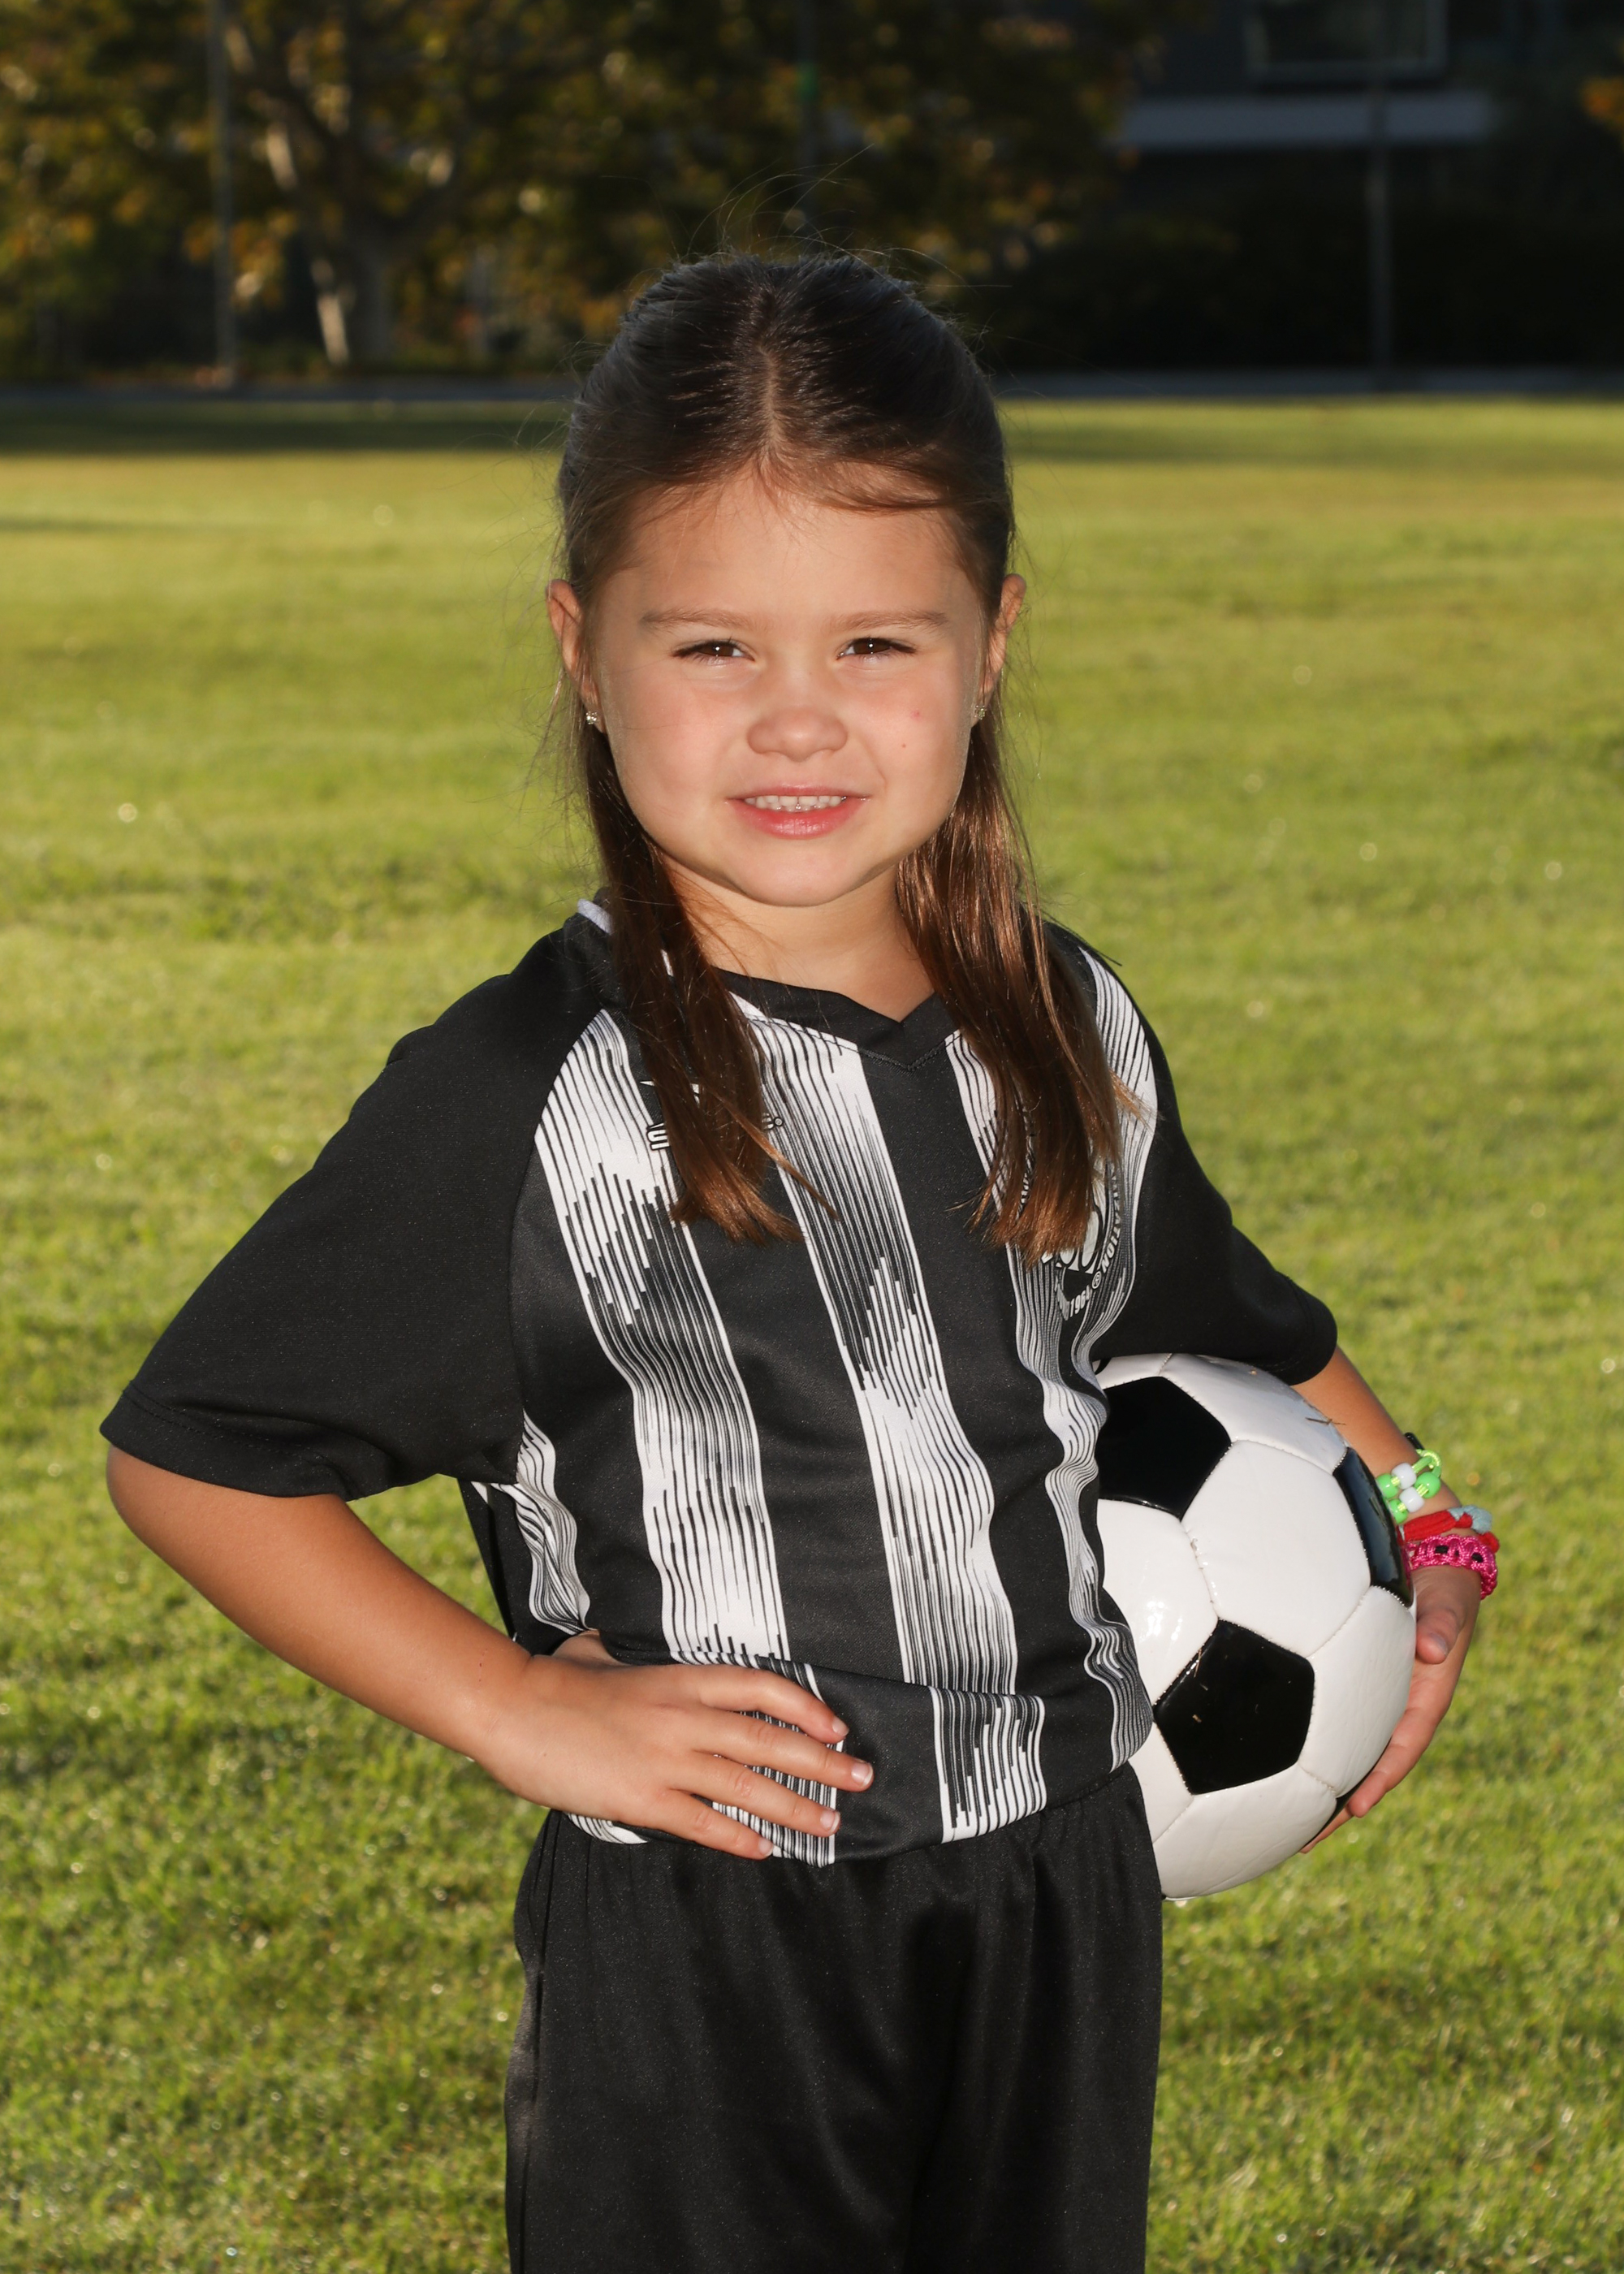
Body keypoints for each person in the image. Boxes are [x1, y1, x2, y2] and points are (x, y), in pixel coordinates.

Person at [103, 256, 1490, 2274]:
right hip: (709, 1932)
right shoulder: (528, 1093)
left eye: (871, 640)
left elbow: (1238, 1324)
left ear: (990, 644)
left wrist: (1434, 1538)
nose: (796, 717)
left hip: (1058, 1890)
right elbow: (197, 1450)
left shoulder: (1065, 1027)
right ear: (584, 653)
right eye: (712, 645)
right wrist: (517, 1708)